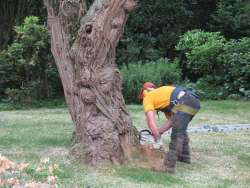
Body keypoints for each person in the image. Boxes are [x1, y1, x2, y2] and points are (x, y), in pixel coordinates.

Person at [138, 82, 200, 173]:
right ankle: (184, 157)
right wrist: (159, 132)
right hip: (193, 101)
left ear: (143, 93)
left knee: (177, 134)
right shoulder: (163, 96)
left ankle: (168, 166)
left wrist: (156, 138)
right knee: (180, 128)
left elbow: (151, 122)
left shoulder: (147, 97)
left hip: (185, 101)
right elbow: (172, 121)